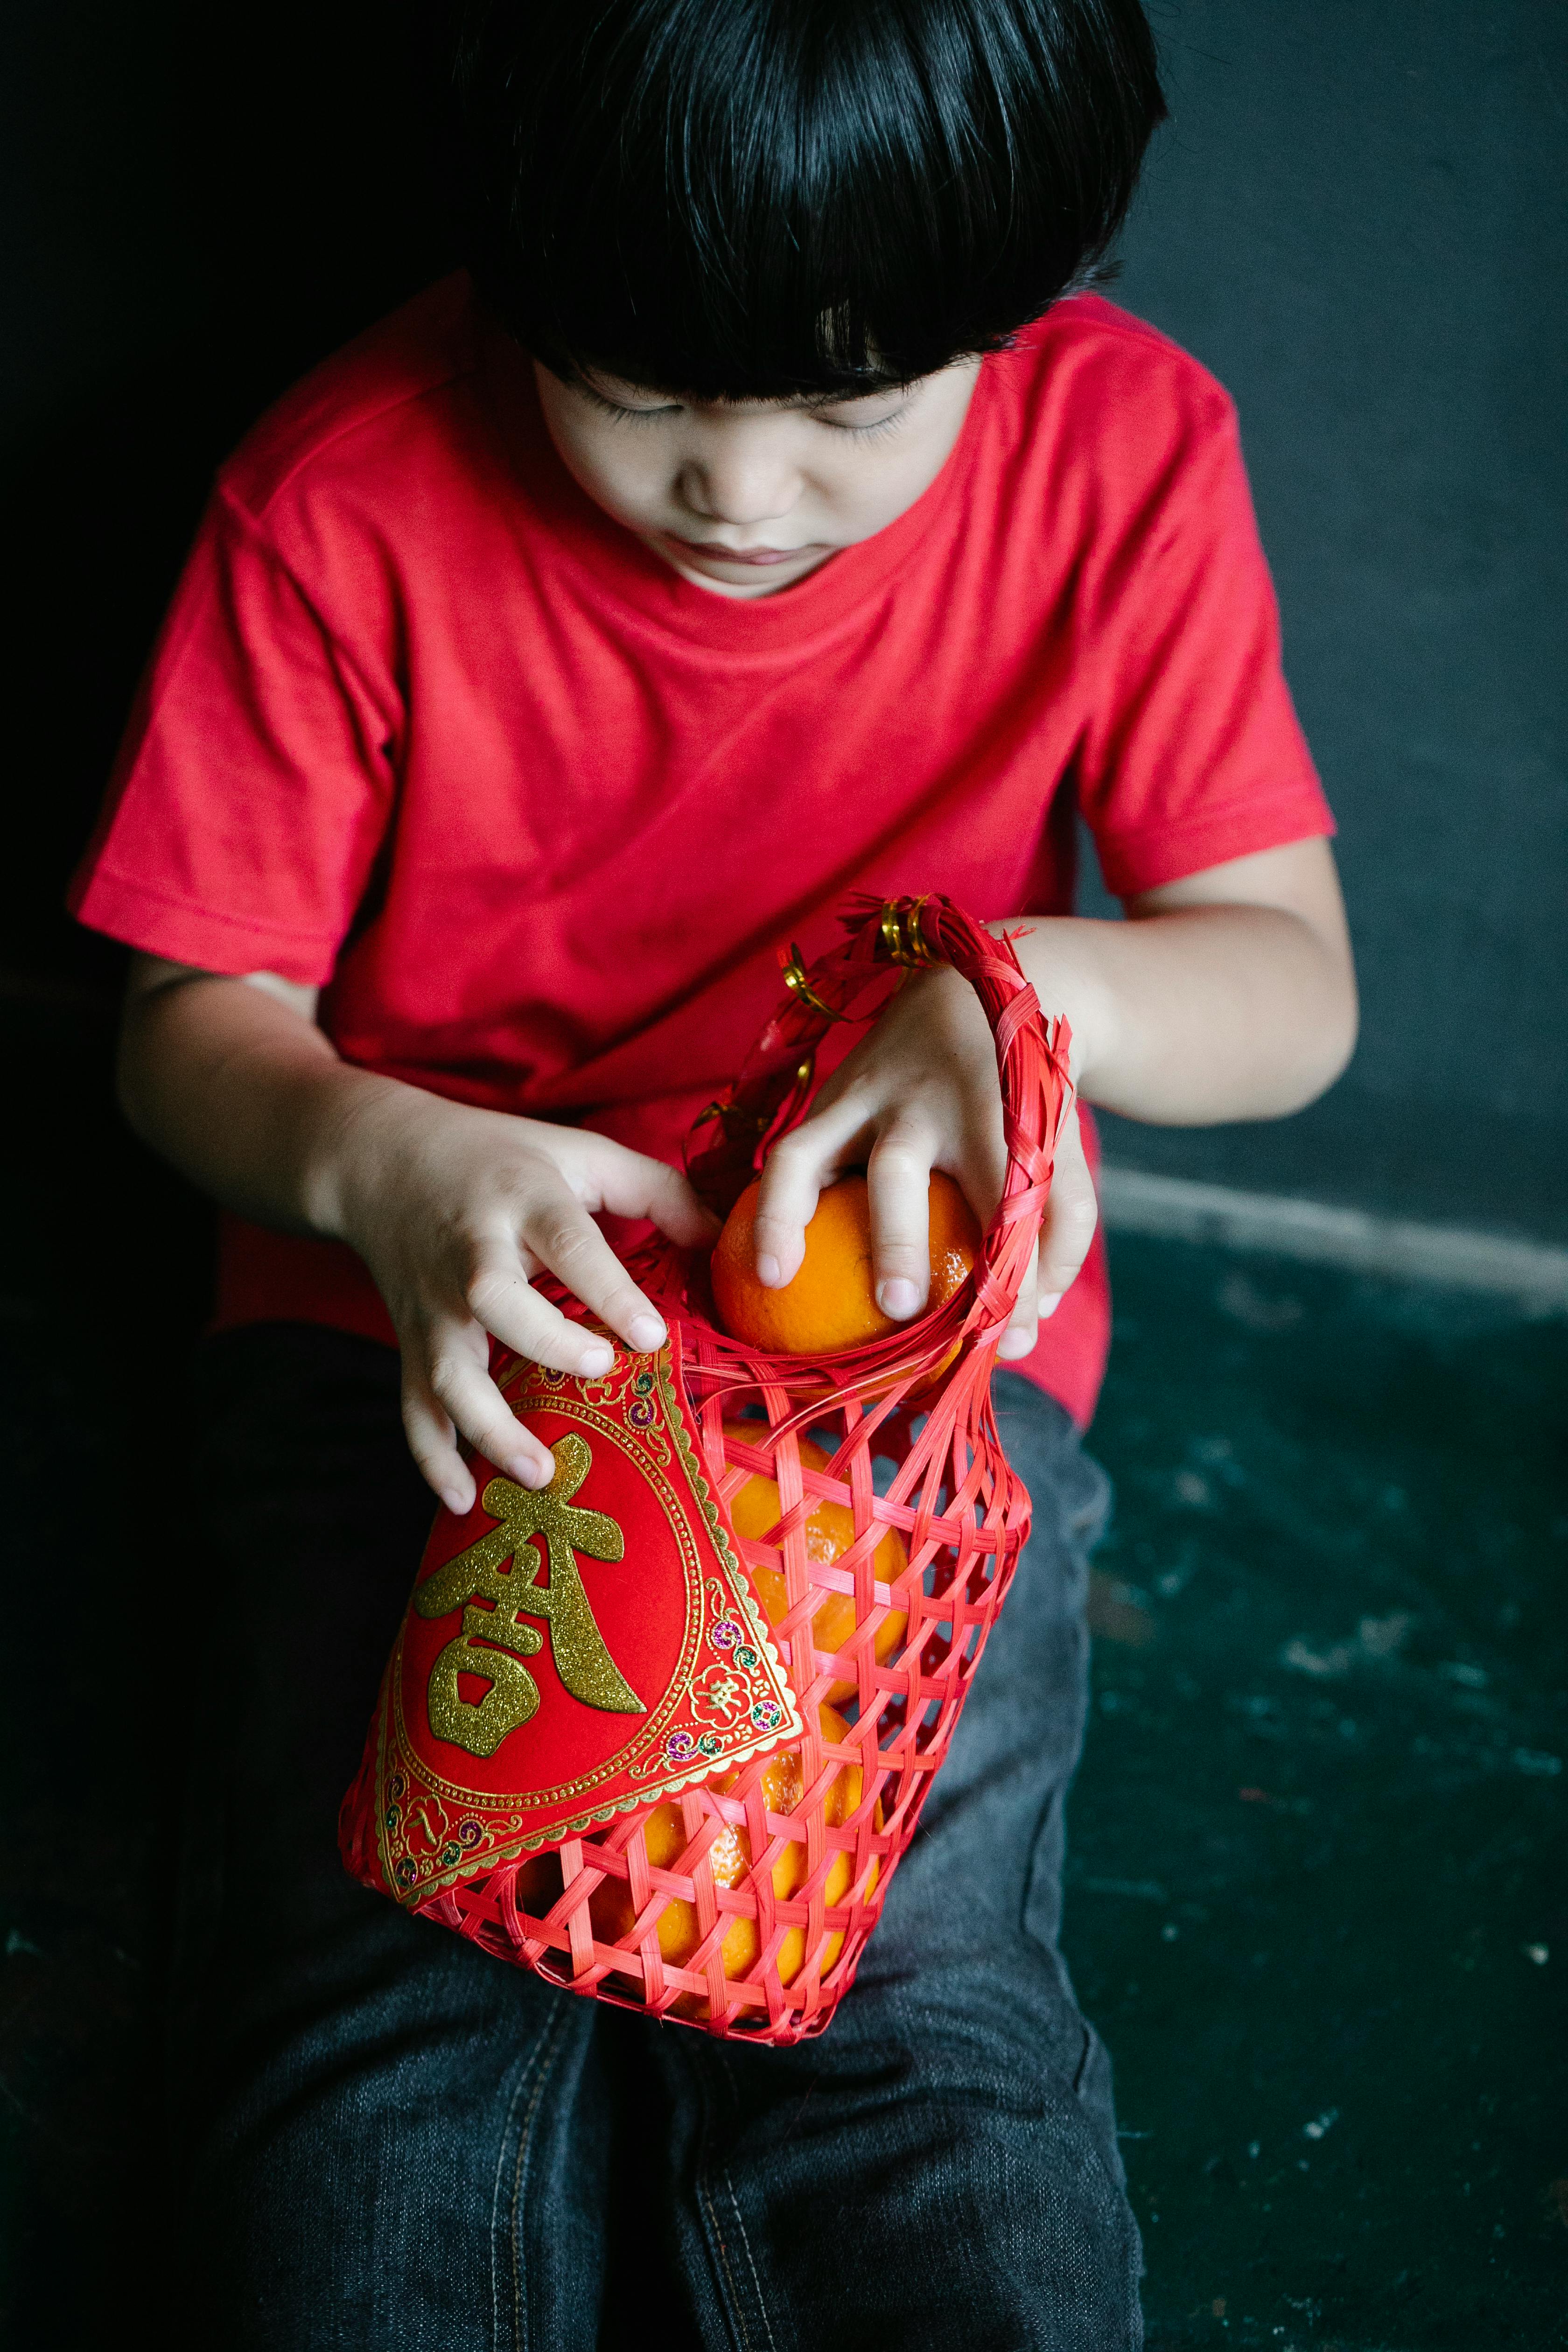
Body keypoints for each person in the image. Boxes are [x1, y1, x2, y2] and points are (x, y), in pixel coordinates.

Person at [69, 1, 1358, 2342]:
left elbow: (1291, 988)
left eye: (860, 406)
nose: (741, 494)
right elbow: (189, 1031)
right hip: (429, 1335)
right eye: (639, 389)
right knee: (386, 2016)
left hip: (885, 1398)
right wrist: (380, 1160)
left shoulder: (1124, 449)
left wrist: (1020, 993)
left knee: (916, 2022)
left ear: (1011, 298)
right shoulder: (342, 492)